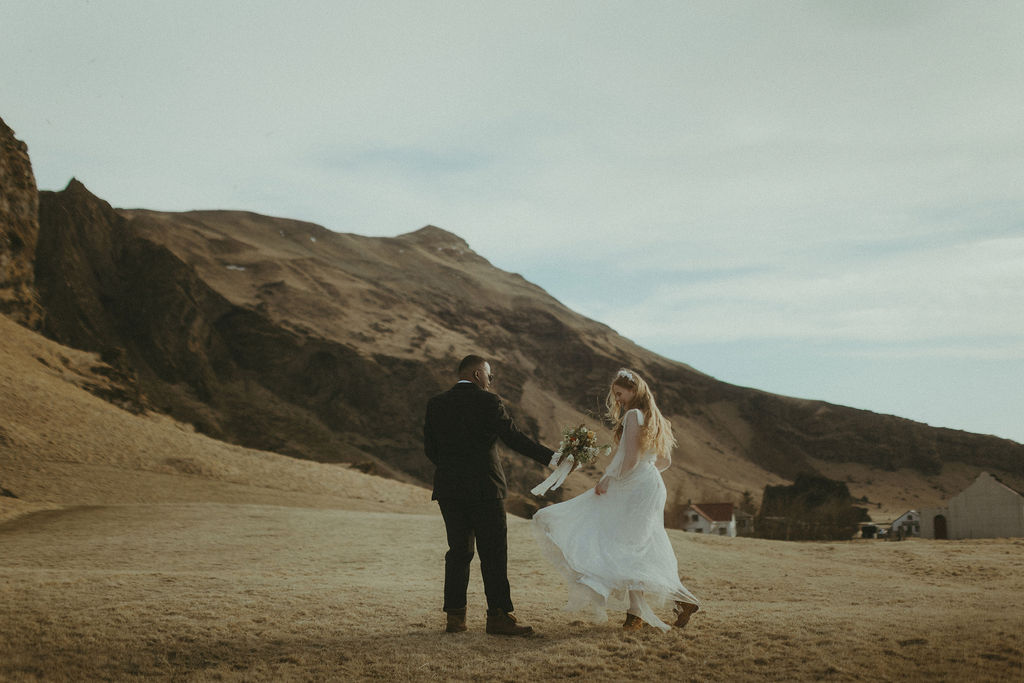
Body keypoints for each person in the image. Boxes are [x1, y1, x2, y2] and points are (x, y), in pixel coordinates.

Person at [532, 368, 700, 631]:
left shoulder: (633, 415)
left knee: (625, 544)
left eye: (620, 394)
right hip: (651, 485)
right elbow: (664, 461)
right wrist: (645, 474)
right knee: (636, 546)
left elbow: (631, 458)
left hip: (633, 486)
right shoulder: (655, 418)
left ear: (634, 391)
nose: (618, 400)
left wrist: (611, 478)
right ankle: (666, 604)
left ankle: (638, 615)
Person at [423, 354, 555, 636]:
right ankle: (498, 617)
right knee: (493, 553)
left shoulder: (436, 404)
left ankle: (455, 618)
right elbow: (514, 438)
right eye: (489, 375)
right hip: (485, 488)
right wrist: (552, 458)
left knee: (458, 551)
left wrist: (452, 470)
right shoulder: (488, 401)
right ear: (477, 374)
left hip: (448, 489)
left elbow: (430, 448)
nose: (490, 380)